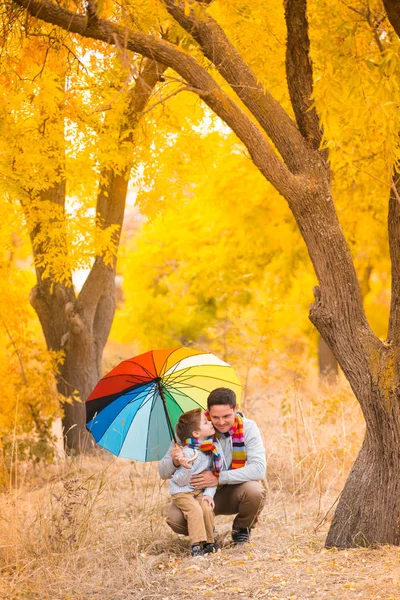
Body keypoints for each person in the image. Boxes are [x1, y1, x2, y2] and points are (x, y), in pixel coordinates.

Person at [159, 387, 266, 545]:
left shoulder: (248, 428)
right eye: (215, 417)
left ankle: (241, 529)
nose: (221, 422)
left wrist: (218, 478)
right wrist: (175, 461)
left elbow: (259, 469)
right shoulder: (191, 428)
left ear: (235, 409)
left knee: (255, 492)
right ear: (208, 411)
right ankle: (206, 529)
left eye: (226, 416)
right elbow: (163, 472)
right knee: (175, 520)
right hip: (196, 493)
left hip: (231, 490)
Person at [169, 408, 221, 557]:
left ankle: (209, 542)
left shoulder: (211, 449)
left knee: (205, 507)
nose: (210, 422)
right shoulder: (185, 452)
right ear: (196, 433)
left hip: (199, 490)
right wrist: (185, 467)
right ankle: (196, 545)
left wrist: (209, 494)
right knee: (195, 510)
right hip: (181, 491)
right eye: (205, 422)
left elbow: (213, 476)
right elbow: (178, 480)